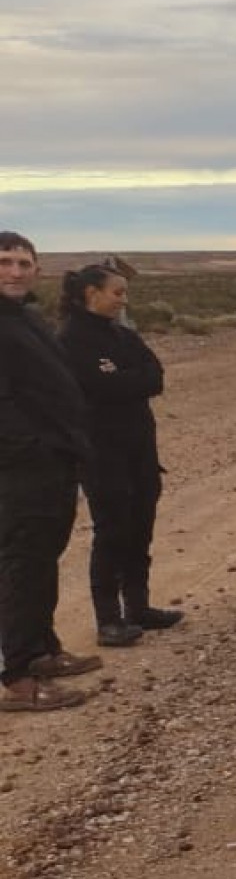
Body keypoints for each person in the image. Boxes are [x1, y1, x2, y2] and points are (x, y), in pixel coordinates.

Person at [56, 260, 183, 647]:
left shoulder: (121, 333)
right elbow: (98, 387)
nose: (123, 300)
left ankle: (139, 608)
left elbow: (154, 376)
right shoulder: (71, 340)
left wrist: (122, 377)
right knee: (112, 531)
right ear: (92, 294)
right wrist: (128, 379)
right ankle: (109, 619)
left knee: (140, 525)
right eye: (117, 292)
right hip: (100, 452)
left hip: (140, 448)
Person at [0, 231, 101, 711]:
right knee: (23, 564)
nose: (15, 271)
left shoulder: (26, 318)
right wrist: (33, 448)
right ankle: (19, 676)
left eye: (24, 262)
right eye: (4, 262)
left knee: (43, 559)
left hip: (55, 460)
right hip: (23, 468)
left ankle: (42, 652)